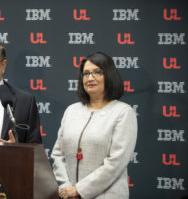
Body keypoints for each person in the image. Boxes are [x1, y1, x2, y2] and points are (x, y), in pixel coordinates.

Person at [51, 52, 137, 199]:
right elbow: (58, 154)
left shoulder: (123, 112)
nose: (90, 78)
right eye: (86, 73)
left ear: (109, 75)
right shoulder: (71, 111)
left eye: (97, 72)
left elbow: (115, 163)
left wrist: (79, 190)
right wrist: (66, 187)